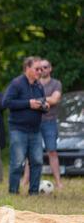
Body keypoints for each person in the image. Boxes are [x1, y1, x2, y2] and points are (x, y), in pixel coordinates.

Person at [3, 56, 49, 195]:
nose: (40, 71)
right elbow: (6, 103)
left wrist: (44, 106)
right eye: (37, 68)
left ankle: (34, 192)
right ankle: (13, 191)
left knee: (37, 162)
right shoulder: (16, 83)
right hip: (18, 129)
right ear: (27, 68)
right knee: (17, 163)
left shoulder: (39, 85)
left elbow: (41, 103)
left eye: (41, 69)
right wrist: (28, 103)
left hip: (35, 130)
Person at [21, 59, 63, 188]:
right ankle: (25, 181)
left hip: (49, 122)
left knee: (52, 151)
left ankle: (58, 182)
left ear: (50, 69)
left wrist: (36, 101)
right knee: (31, 153)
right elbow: (27, 100)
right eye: (40, 68)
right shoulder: (34, 83)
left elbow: (55, 99)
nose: (42, 70)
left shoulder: (56, 83)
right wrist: (44, 101)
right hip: (35, 121)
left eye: (45, 67)